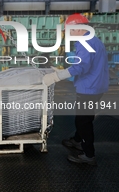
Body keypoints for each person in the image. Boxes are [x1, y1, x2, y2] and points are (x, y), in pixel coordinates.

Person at [43, 13, 109, 165]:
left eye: (70, 30)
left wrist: (57, 77)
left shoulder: (85, 42)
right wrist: (63, 71)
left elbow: (81, 67)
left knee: (83, 121)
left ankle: (88, 154)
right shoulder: (93, 40)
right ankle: (78, 140)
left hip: (89, 88)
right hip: (96, 85)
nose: (69, 33)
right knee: (85, 117)